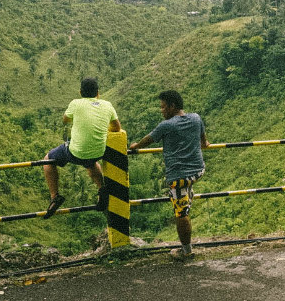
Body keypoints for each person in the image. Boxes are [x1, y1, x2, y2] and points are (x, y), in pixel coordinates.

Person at [129, 90, 208, 259]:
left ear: (172, 106)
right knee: (185, 198)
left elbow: (147, 140)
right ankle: (188, 197)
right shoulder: (196, 118)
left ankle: (186, 252)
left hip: (179, 178)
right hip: (198, 170)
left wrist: (134, 147)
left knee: (181, 214)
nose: (161, 110)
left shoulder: (166, 125)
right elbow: (204, 142)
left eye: (163, 107)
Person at [43, 77, 121, 219]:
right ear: (98, 93)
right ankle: (102, 189)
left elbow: (65, 120)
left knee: (48, 160)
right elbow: (117, 128)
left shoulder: (75, 103)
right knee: (91, 163)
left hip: (76, 152)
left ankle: (55, 196)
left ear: (80, 92)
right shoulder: (108, 105)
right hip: (98, 151)